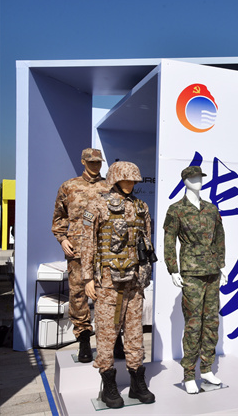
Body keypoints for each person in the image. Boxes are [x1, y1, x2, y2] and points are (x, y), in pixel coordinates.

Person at [82, 161, 155, 408]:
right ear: (114, 179)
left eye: (133, 180)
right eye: (126, 179)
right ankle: (108, 385)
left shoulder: (141, 207)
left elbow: (146, 241)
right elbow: (88, 243)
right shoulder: (97, 205)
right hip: (108, 282)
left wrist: (145, 272)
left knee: (134, 333)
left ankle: (137, 382)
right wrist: (88, 278)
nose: (130, 184)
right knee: (106, 333)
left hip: (134, 282)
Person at [163, 166, 226, 395]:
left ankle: (207, 368)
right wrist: (173, 269)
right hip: (190, 272)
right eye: (193, 177)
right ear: (185, 180)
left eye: (200, 177)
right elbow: (169, 241)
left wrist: (221, 264)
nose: (198, 180)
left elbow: (220, 237)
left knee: (211, 321)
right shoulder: (176, 209)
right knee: (193, 323)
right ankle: (189, 373)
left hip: (212, 271)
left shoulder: (211, 209)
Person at [51, 148, 109, 363]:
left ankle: (112, 340)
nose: (95, 165)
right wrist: (62, 239)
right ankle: (84, 339)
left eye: (98, 162)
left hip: (104, 250)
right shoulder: (69, 186)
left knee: (107, 293)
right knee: (77, 294)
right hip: (77, 248)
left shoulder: (109, 187)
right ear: (83, 161)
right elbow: (59, 217)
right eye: (91, 162)